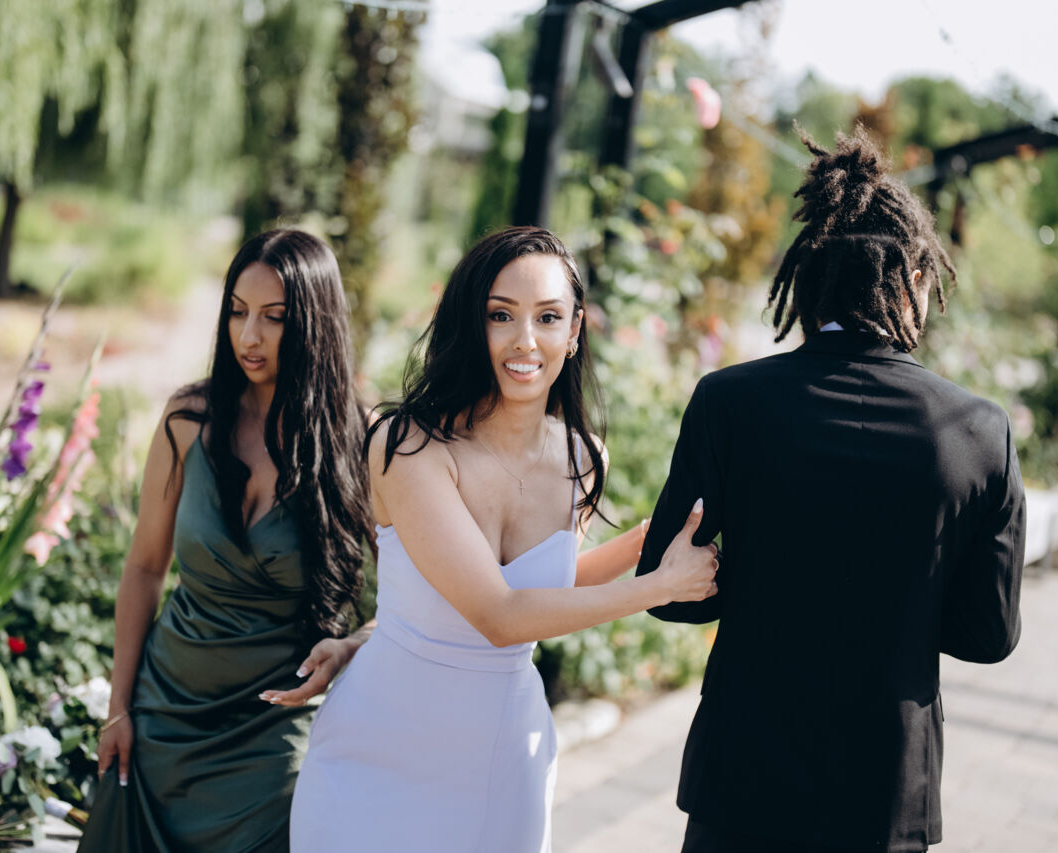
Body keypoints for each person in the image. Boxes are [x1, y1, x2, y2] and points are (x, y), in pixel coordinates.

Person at [267, 226, 719, 853]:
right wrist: (659, 587)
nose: (524, 340)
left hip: (502, 759)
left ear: (575, 329)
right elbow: (499, 614)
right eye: (500, 315)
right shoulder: (408, 446)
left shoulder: (583, 459)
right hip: (378, 751)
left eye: (548, 317)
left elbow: (546, 589)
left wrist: (645, 546)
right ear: (469, 323)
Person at [637, 127, 1026, 853]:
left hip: (741, 781)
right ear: (915, 278)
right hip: (885, 795)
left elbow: (666, 591)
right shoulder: (980, 430)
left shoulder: (728, 401)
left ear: (808, 275)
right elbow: (988, 636)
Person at [77, 229, 374, 852]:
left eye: (274, 318)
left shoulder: (360, 440)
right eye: (238, 312)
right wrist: (119, 707)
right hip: (163, 713)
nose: (249, 336)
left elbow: (418, 592)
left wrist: (352, 645)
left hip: (277, 728)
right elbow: (144, 569)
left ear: (315, 323)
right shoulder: (189, 420)